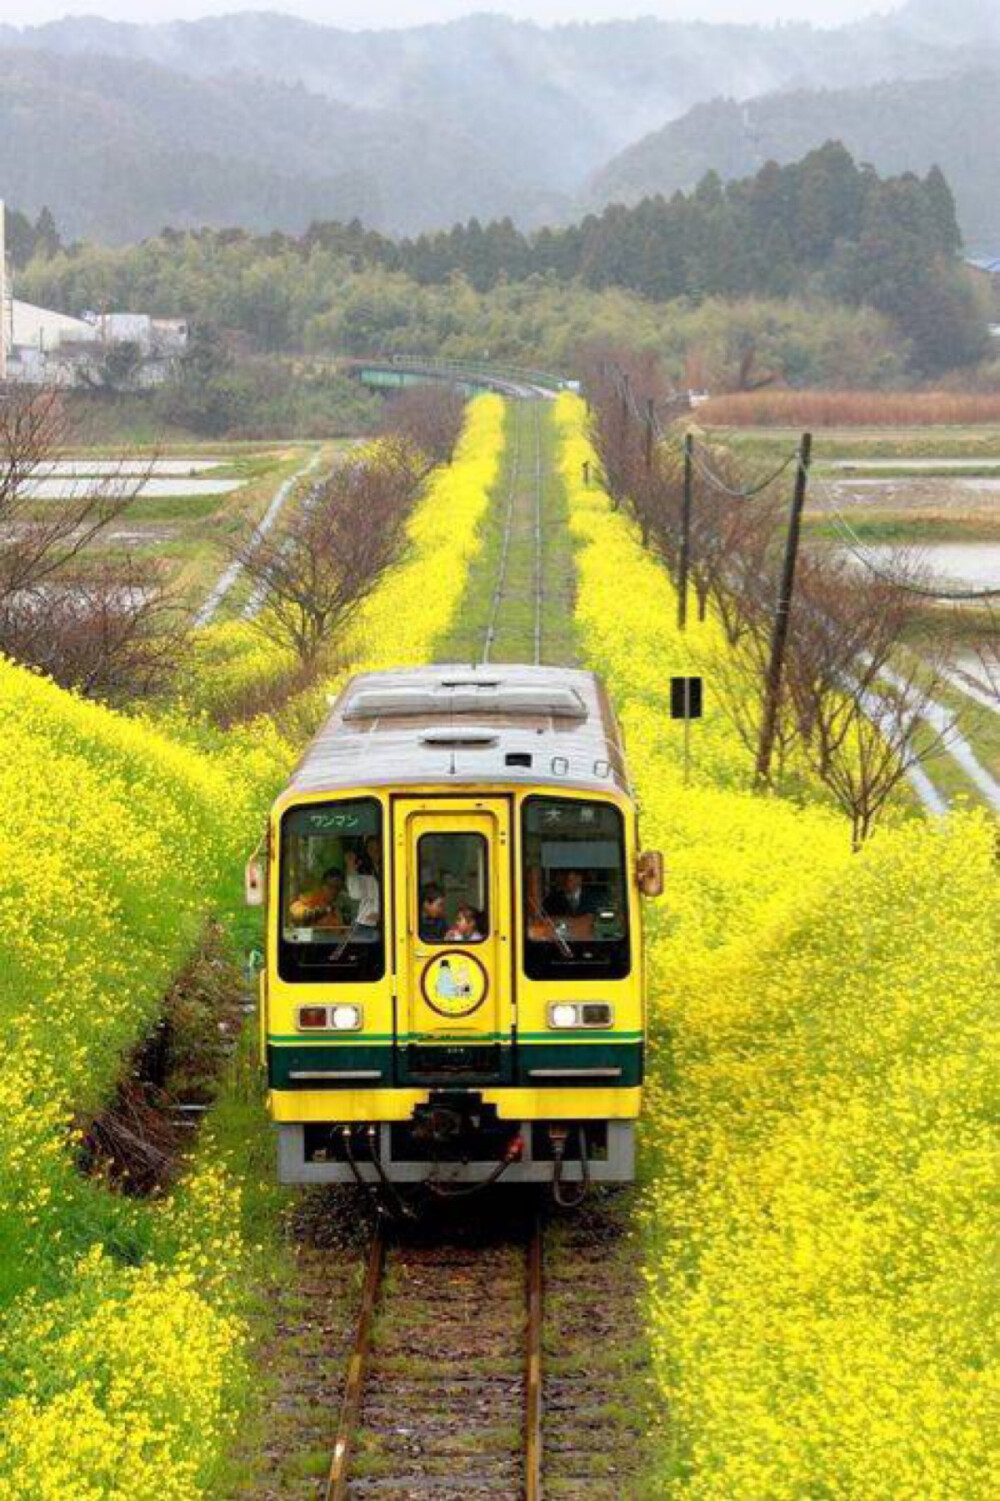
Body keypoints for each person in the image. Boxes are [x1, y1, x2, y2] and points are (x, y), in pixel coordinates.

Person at [344, 848, 380, 934]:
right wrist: (351, 867)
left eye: (376, 849)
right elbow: (354, 893)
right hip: (367, 925)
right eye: (371, 849)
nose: (374, 853)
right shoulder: (365, 875)